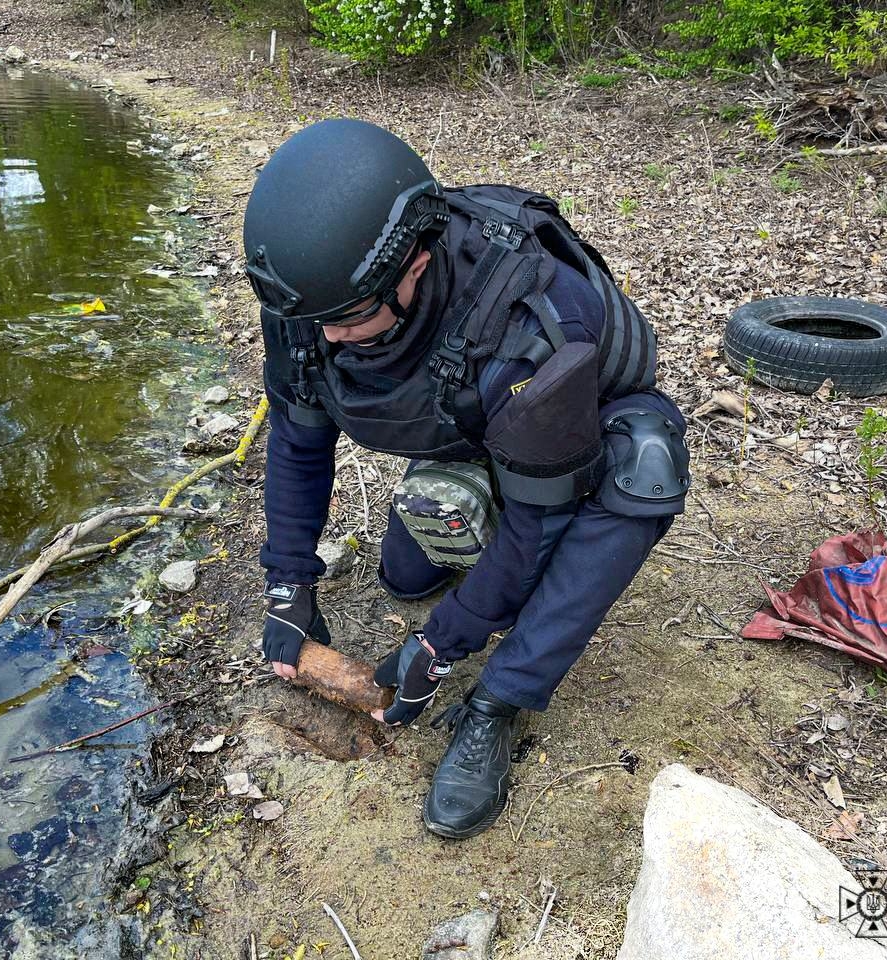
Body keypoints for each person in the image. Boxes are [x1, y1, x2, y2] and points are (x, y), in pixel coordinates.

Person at [243, 118, 690, 840]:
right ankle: (481, 505)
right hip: (490, 419)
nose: (327, 338)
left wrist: (440, 647)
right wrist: (289, 583)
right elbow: (298, 438)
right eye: (314, 320)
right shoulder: (315, 299)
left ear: (416, 264)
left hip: (578, 416)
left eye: (347, 319)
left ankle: (501, 703)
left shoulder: (533, 326)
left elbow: (533, 529)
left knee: (644, 467)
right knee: (406, 577)